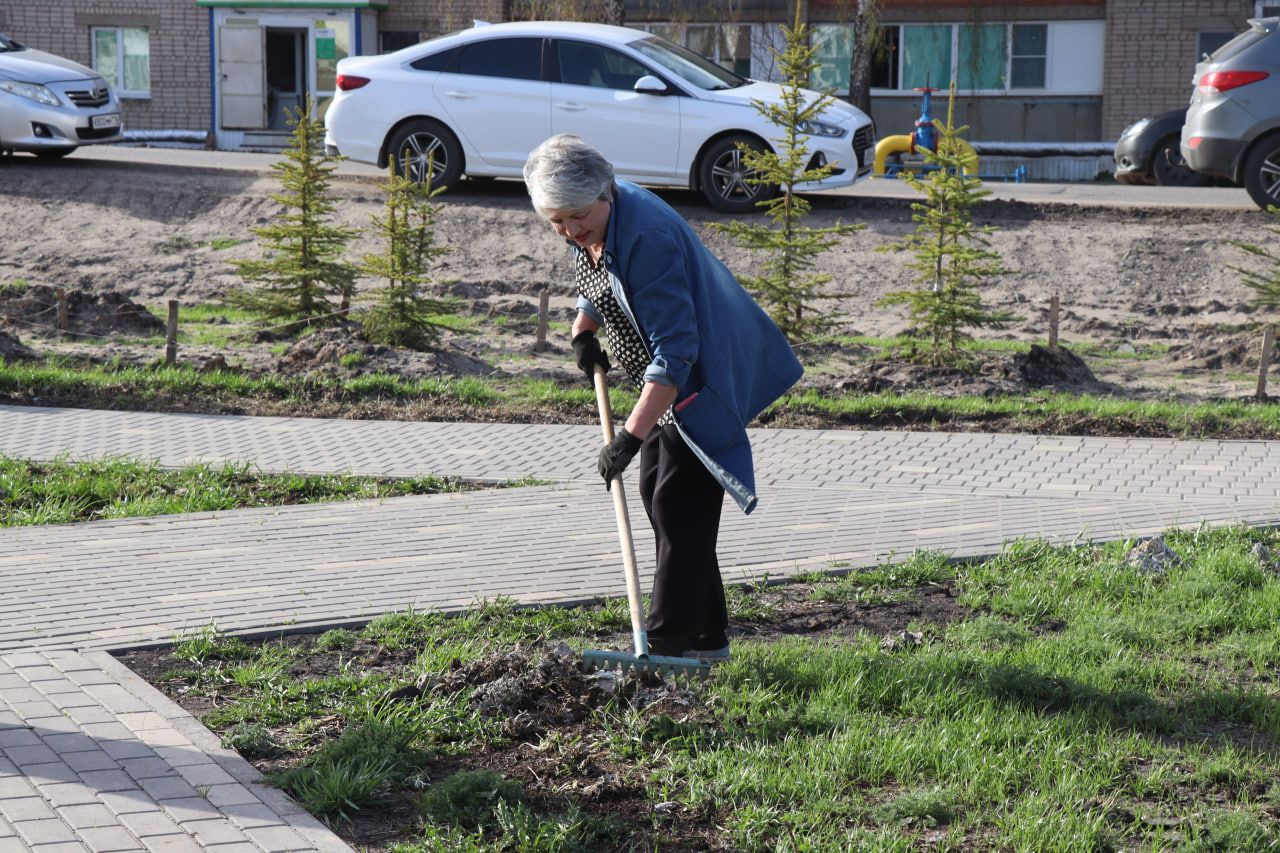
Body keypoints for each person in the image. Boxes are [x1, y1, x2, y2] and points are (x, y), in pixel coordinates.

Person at [523, 134, 803, 662]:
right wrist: (585, 328)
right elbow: (598, 271)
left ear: (605, 191)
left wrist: (628, 437)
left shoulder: (645, 239)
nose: (568, 231)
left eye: (576, 217)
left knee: (677, 505)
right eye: (556, 221)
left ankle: (669, 641)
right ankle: (708, 637)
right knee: (665, 499)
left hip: (698, 382)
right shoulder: (600, 216)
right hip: (666, 387)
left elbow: (677, 354)